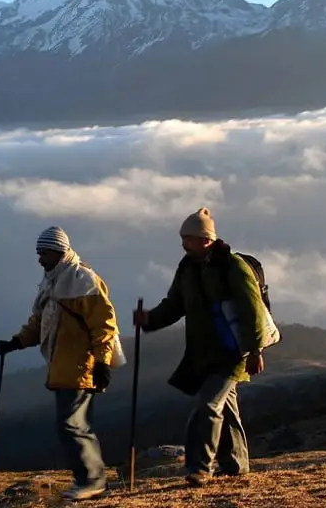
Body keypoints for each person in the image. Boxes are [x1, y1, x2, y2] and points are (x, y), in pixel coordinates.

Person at [133, 207, 268, 487]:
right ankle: (235, 466)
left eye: (189, 238)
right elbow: (175, 304)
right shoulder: (188, 267)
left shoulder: (233, 267)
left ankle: (199, 468)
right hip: (203, 352)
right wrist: (149, 320)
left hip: (232, 352)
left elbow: (252, 309)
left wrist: (256, 351)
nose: (183, 243)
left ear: (205, 239)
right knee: (225, 408)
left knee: (208, 405)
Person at [0, 226, 120, 501]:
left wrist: (101, 362)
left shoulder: (82, 281)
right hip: (63, 366)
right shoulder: (54, 283)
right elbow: (40, 322)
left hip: (80, 366)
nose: (40, 259)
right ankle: (89, 479)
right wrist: (16, 342)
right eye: (39, 253)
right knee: (70, 425)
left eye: (45, 253)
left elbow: (104, 326)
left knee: (73, 425)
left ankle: (92, 480)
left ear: (60, 252)